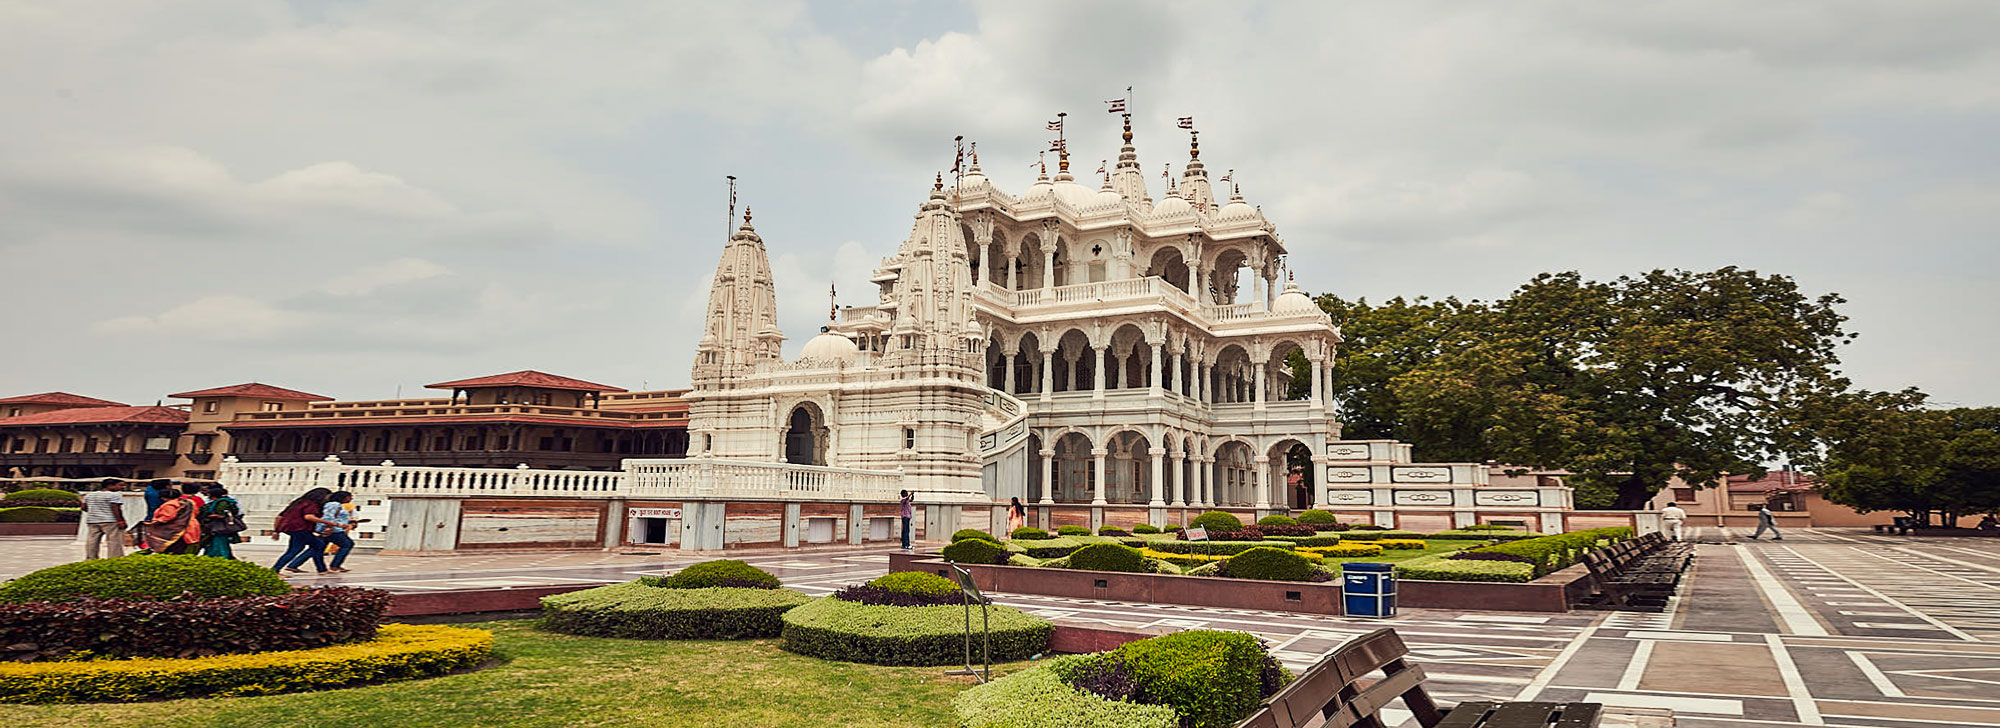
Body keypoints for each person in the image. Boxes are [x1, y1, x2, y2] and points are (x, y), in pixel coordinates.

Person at [271, 488, 338, 574]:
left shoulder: (297, 503)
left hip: (291, 528)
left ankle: (322, 569)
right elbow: (309, 517)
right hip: (300, 528)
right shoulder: (312, 504)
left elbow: (279, 517)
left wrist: (276, 531)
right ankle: (275, 570)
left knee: (315, 546)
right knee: (314, 546)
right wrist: (330, 523)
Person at [138, 483, 205, 554]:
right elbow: (197, 512)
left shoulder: (170, 505)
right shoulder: (189, 502)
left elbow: (168, 516)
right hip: (191, 526)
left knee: (172, 548)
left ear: (163, 497)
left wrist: (154, 522)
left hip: (177, 529)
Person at [80, 479, 128, 560]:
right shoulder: (114, 495)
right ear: (110, 485)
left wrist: (94, 511)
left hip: (92, 521)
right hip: (110, 521)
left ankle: (91, 558)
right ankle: (115, 558)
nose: (122, 487)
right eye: (120, 485)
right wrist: (121, 521)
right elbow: (116, 508)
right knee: (114, 541)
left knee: (92, 541)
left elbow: (83, 507)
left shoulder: (89, 495)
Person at [316, 490, 362, 573]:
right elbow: (328, 517)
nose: (351, 498)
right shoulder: (334, 504)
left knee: (318, 548)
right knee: (347, 544)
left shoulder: (337, 505)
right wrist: (330, 526)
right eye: (349, 496)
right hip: (333, 529)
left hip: (333, 528)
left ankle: (295, 565)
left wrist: (349, 522)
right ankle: (335, 565)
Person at [198, 485, 246, 559]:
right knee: (221, 544)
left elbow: (220, 514)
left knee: (218, 545)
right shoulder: (230, 501)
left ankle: (218, 558)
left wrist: (211, 515)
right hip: (223, 528)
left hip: (218, 527)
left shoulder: (221, 503)